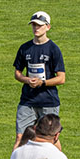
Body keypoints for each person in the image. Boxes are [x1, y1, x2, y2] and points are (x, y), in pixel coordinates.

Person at [12, 11, 66, 148]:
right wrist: (26, 80)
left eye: (39, 25)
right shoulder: (25, 48)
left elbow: (61, 78)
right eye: (34, 25)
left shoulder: (54, 49)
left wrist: (43, 83)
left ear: (48, 27)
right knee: (20, 136)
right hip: (27, 100)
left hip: (48, 101)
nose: (36, 28)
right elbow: (17, 73)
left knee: (51, 139)